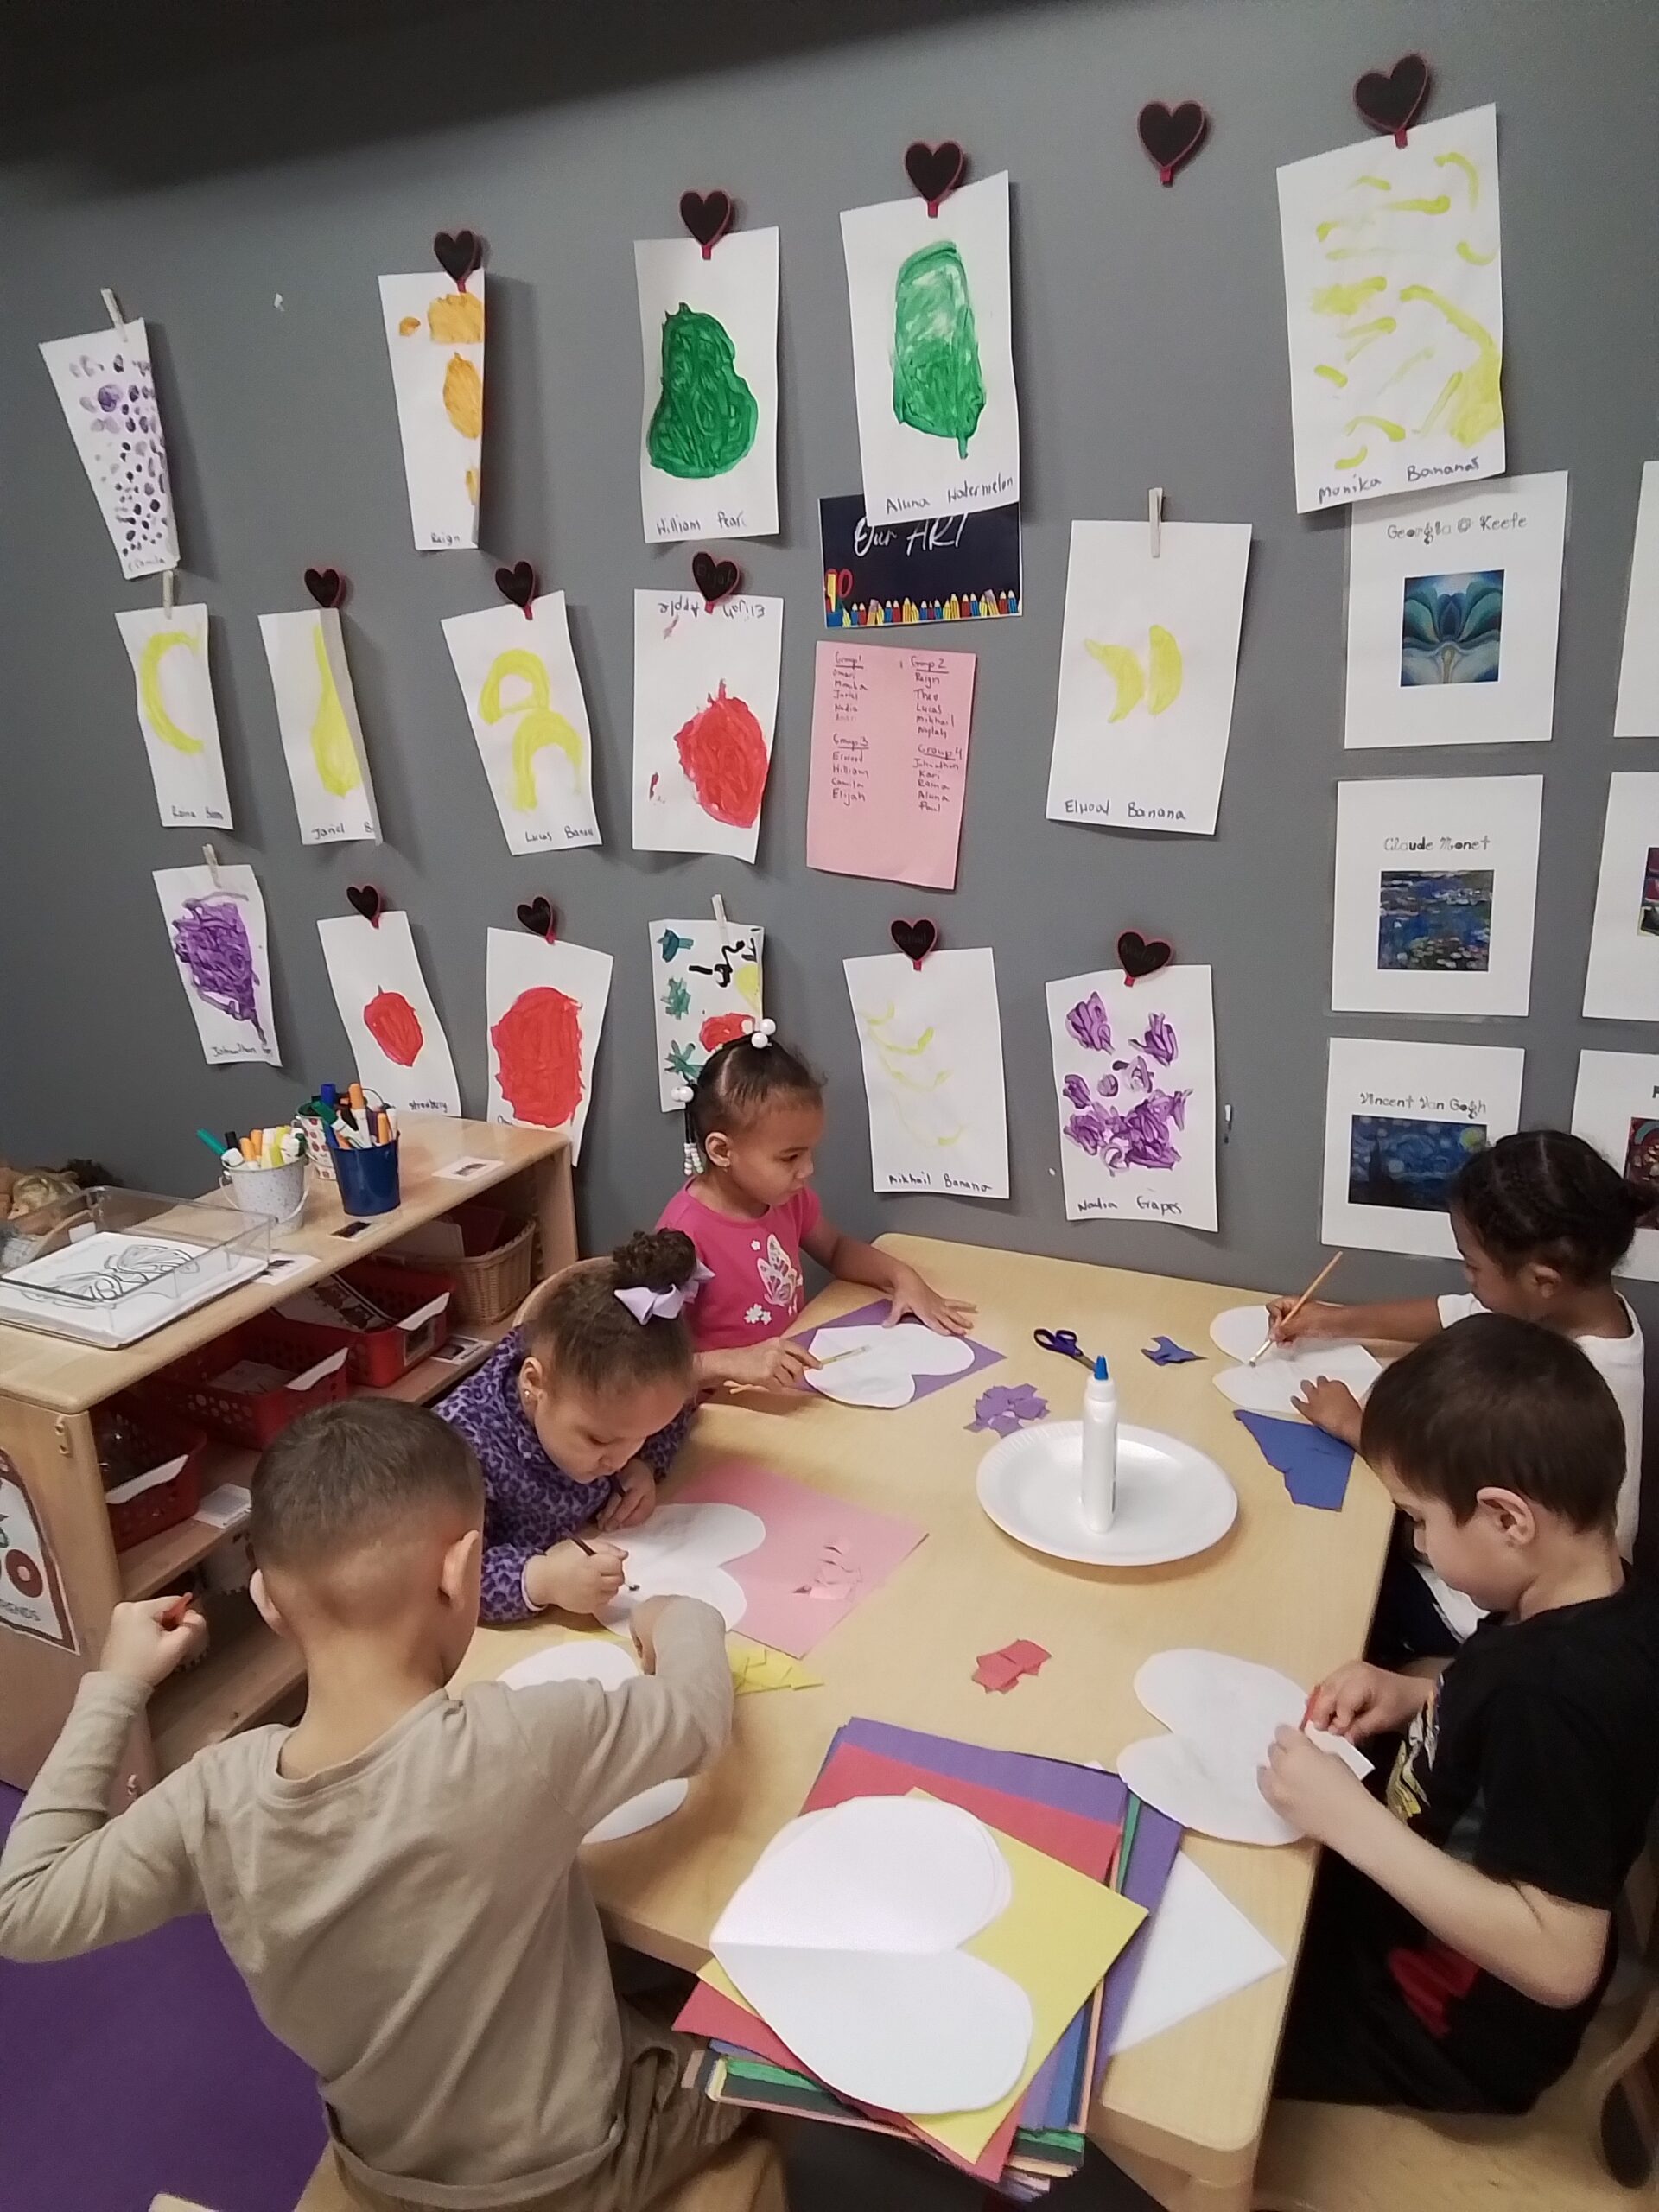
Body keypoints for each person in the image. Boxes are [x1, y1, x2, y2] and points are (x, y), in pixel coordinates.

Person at [0, 1398, 742, 2209]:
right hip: (574, 2173)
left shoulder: (213, 1796)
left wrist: (115, 1686)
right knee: (751, 2053)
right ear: (459, 1571)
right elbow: (697, 1718)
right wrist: (685, 1617)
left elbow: (24, 1906)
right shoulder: (519, 1742)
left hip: (386, 2172)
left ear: (269, 1603)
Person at [1264, 1316, 1659, 2115]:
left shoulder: (1559, 1699)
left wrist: (1350, 1822)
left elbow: (1560, 1962)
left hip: (1439, 2021)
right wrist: (1413, 1693)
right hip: (1407, 1901)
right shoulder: (1582, 1590)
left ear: (1507, 1518)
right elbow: (1494, 1708)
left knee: (1199, 2047)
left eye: (1419, 1518)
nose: (1416, 1537)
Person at [1273, 1131, 1648, 1644]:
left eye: (1472, 1266)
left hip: (1472, 1615)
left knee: (1311, 1580)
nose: (1466, 1278)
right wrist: (1331, 1320)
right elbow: (1453, 1312)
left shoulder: (1593, 1386)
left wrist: (1354, 1426)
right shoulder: (1558, 1304)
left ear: (1542, 1280)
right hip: (1466, 1571)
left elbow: (1585, 1555)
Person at [658, 1023, 975, 1393]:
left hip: (787, 1389)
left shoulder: (784, 1199)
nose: (807, 1170)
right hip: (721, 1410)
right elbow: (650, 1366)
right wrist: (729, 1363)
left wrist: (902, 1278)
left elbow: (837, 1249)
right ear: (722, 1151)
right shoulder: (683, 1236)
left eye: (809, 1152)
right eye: (790, 1157)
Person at [437, 1232, 701, 1624]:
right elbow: (447, 1579)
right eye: (600, 1439)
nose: (617, 1458)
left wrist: (647, 1464)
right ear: (534, 1385)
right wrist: (544, 1580)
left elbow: (672, 1416)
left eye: (639, 1437)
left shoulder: (620, 1405)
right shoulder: (461, 1449)